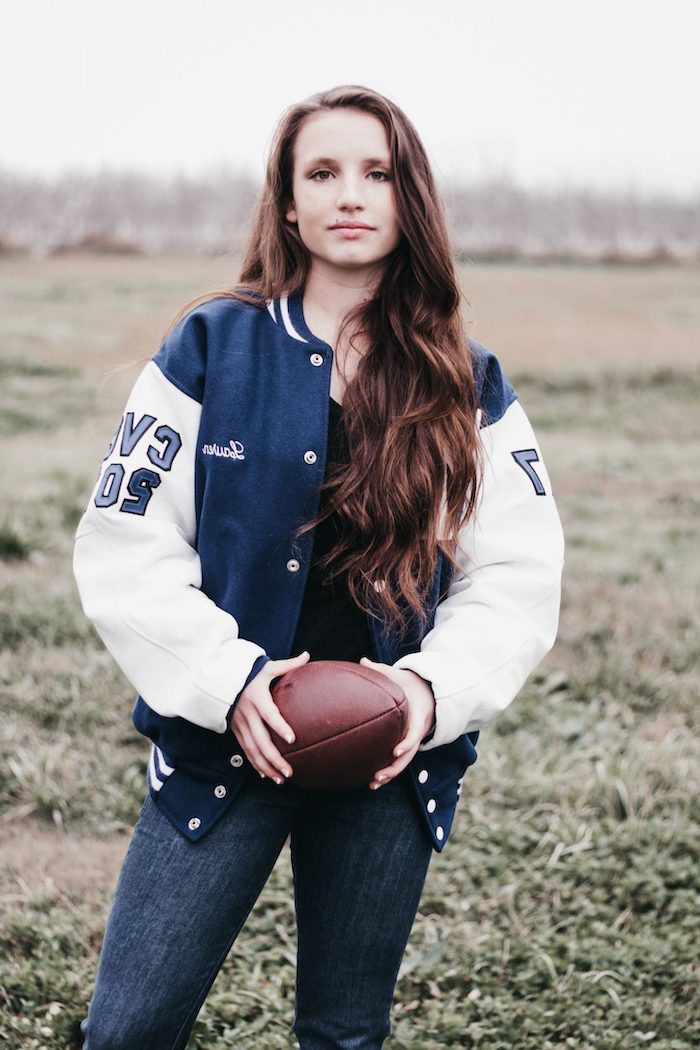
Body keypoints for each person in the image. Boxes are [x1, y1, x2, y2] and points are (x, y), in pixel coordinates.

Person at [73, 84, 564, 1050]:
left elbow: (516, 573)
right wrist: (232, 680)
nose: (351, 194)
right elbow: (126, 542)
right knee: (127, 1031)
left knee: (345, 1035)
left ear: (407, 197)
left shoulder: (465, 378)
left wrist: (427, 694)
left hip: (390, 754)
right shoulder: (212, 347)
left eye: (377, 173)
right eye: (323, 173)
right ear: (287, 204)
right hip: (226, 749)